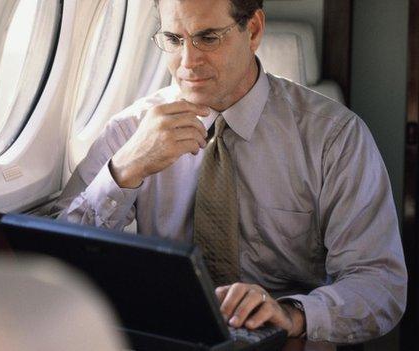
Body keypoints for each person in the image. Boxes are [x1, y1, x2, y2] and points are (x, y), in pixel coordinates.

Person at [54, 0, 407, 344]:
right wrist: (125, 169)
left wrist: (293, 315)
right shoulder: (128, 131)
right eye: (174, 40)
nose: (188, 63)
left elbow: (380, 283)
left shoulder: (333, 136)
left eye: (207, 38)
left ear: (252, 30)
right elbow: (55, 262)